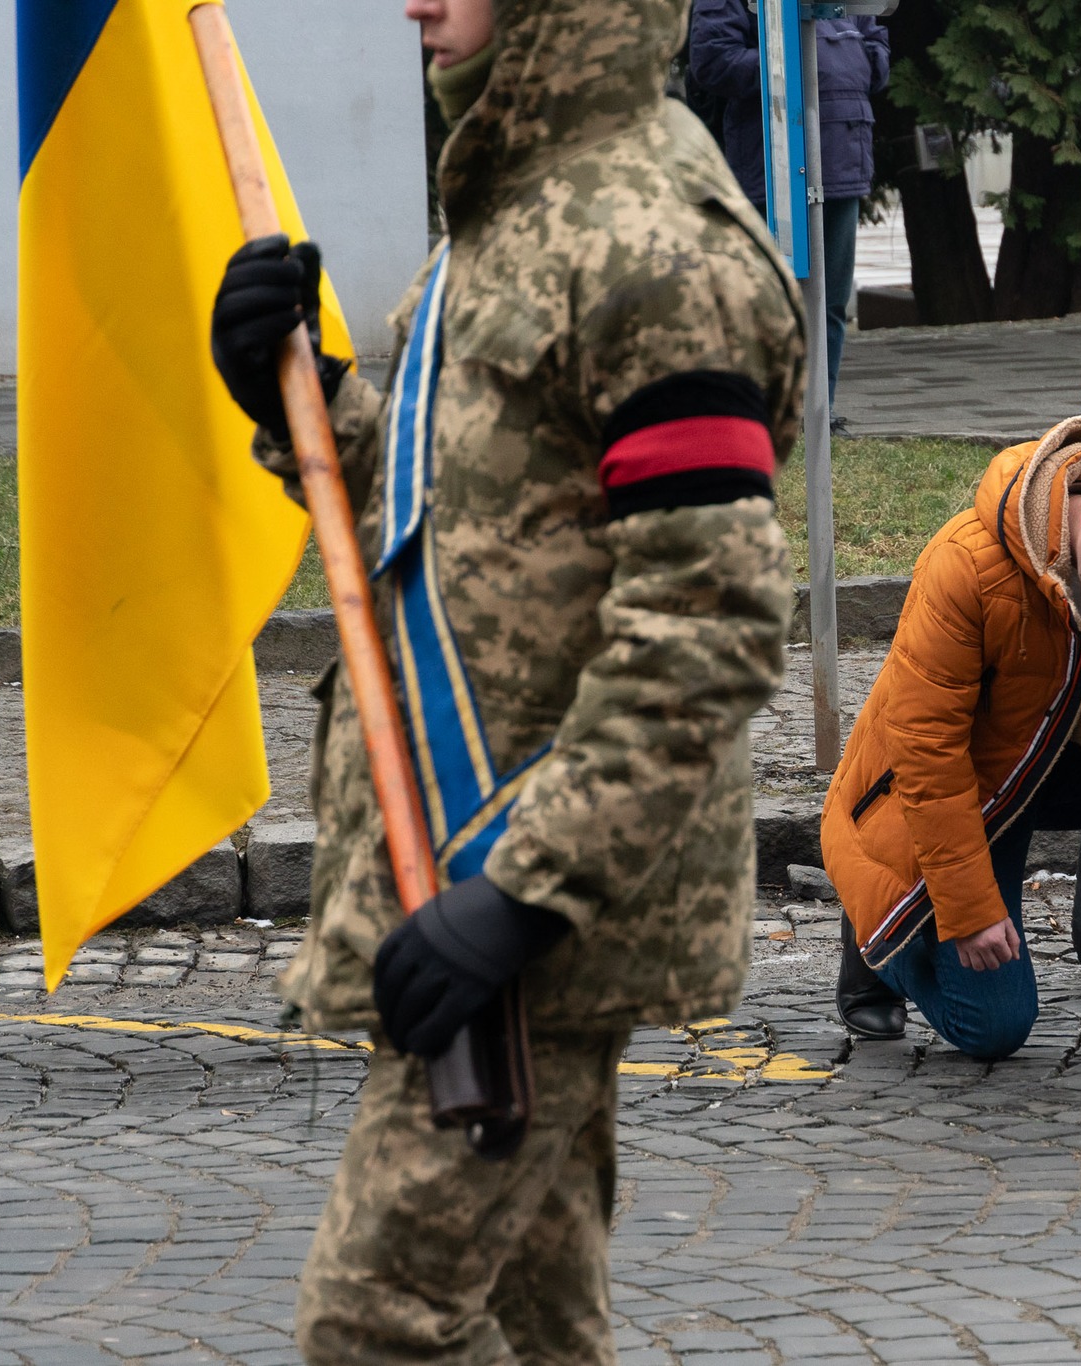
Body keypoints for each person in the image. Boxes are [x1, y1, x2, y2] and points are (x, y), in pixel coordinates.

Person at [207, 0, 804, 1358]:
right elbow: (440, 530)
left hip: (531, 895)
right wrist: (303, 393)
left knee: (378, 1324)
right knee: (541, 1332)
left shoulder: (655, 243)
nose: (413, 1)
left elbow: (707, 622)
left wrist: (527, 894)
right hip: (473, 873)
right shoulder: (510, 213)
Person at [820, 418, 1081, 1064]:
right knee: (995, 1027)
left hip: (1050, 762)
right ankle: (877, 938)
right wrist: (969, 911)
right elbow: (928, 751)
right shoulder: (965, 562)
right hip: (966, 790)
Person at [690, 0, 887, 426]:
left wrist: (859, 63)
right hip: (773, 164)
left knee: (830, 300)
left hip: (843, 158)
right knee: (768, 299)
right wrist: (790, 67)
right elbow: (712, 58)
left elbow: (873, 39)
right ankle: (762, 411)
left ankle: (820, 410)